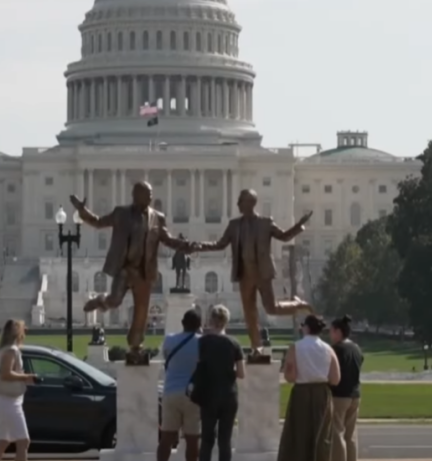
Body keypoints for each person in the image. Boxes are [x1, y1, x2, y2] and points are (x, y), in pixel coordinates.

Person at [70, 182, 191, 361]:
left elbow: (168, 239)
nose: (151, 197)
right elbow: (98, 222)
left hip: (145, 272)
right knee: (115, 300)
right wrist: (82, 210)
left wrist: (186, 245)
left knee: (141, 313)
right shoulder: (121, 213)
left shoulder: (158, 217)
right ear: (136, 195)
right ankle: (101, 300)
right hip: (125, 269)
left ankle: (136, 348)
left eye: (151, 193)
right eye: (147, 193)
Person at [186, 189, 313, 358]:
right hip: (244, 274)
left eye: (241, 201)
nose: (238, 204)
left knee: (271, 308)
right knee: (249, 314)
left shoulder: (266, 223)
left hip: (262, 272)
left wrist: (299, 225)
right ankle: (256, 348)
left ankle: (297, 304)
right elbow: (220, 244)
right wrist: (200, 246)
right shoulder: (234, 225)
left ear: (250, 203)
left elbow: (284, 237)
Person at [278, 314, 341, 461]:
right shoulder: (328, 349)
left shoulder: (295, 347)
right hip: (322, 393)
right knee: (321, 435)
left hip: (301, 393)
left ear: (306, 328)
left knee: (299, 434)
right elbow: (335, 379)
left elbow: (290, 377)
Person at [195, 305, 245, 461]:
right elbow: (241, 373)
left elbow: (195, 367)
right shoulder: (234, 343)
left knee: (207, 439)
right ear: (226, 322)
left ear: (211, 320)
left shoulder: (202, 342)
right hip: (229, 395)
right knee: (225, 440)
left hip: (208, 395)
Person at [158, 309, 202, 461]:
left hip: (171, 391)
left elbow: (166, 358)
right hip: (193, 394)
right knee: (192, 440)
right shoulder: (202, 342)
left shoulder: (169, 340)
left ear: (182, 323)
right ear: (199, 325)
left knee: (166, 439)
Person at [0, 319, 36, 461]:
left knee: (3, 441)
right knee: (23, 441)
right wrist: (26, 377)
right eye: (23, 329)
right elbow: (5, 374)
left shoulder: (5, 349)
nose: (25, 332)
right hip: (10, 402)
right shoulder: (10, 350)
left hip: (8, 400)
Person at [328, 316, 363, 461]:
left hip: (339, 395)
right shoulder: (356, 348)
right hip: (355, 394)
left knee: (337, 433)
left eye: (331, 331)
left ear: (338, 331)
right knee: (351, 435)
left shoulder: (336, 349)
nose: (330, 334)